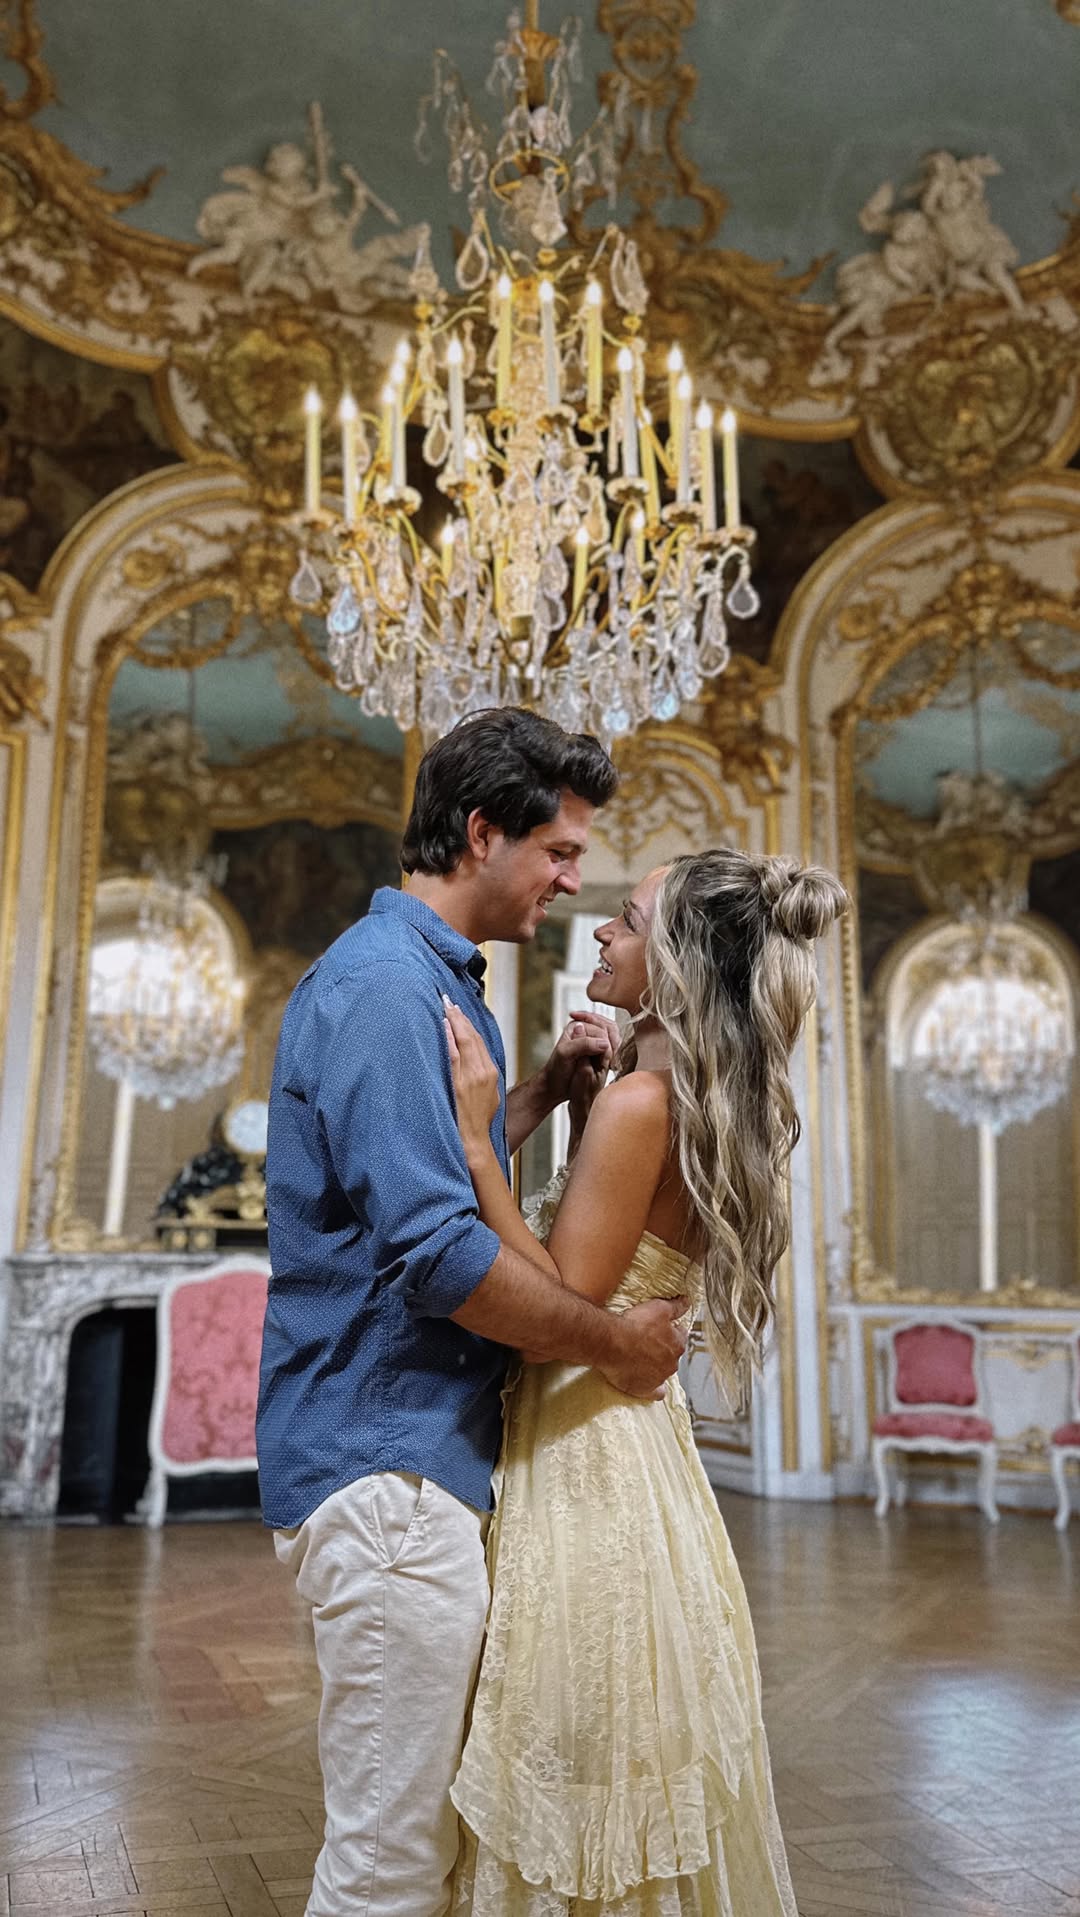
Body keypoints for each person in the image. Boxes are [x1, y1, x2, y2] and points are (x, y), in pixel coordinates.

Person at [256, 709, 690, 1917]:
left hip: (409, 1462)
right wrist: (619, 1345)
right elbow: (441, 1256)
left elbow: (418, 1171)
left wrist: (537, 1094)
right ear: (485, 832)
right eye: (558, 851)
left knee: (418, 1852)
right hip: (387, 1467)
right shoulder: (389, 989)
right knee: (389, 1865)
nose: (571, 881)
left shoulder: (430, 983)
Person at [442, 848, 850, 1915]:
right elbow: (610, 1266)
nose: (602, 932)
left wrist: (481, 1146)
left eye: (625, 920)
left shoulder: (641, 1103)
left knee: (580, 1738)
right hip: (639, 1451)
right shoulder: (676, 1100)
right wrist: (575, 1111)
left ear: (678, 965)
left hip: (587, 1462)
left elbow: (557, 1313)